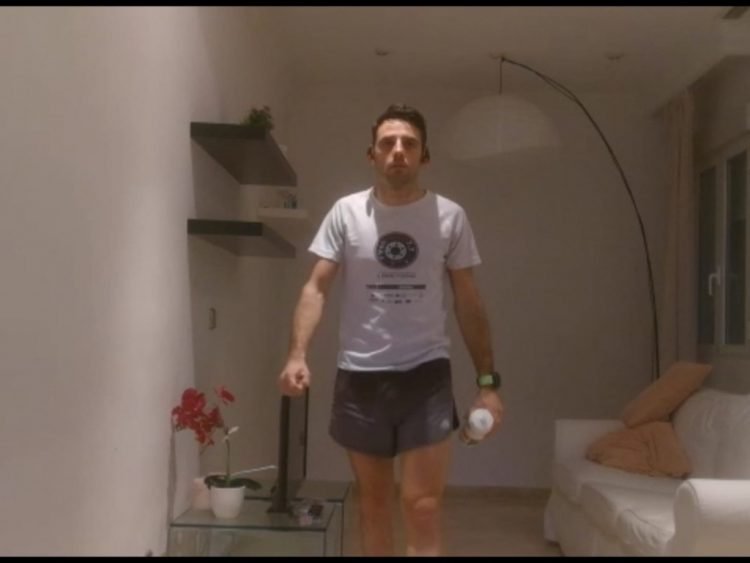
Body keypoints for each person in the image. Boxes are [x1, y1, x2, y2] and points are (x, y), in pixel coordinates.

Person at [278, 103, 504, 556]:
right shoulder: (346, 212)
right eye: (387, 143)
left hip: (426, 375)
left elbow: (468, 301)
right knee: (374, 504)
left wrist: (488, 384)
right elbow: (316, 287)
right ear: (372, 154)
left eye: (409, 144)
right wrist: (297, 354)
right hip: (360, 376)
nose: (398, 150)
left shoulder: (449, 216)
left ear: (424, 156)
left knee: (422, 505)